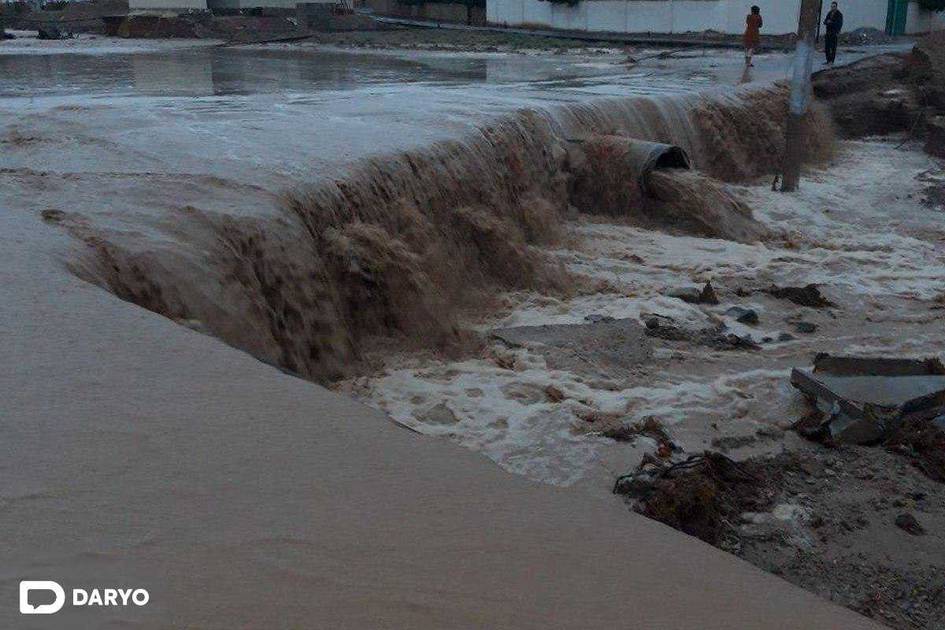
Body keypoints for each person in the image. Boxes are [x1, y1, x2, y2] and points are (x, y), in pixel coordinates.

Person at [823, 2, 844, 66]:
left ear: (836, 7)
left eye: (834, 6)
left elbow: (839, 24)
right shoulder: (829, 13)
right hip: (828, 33)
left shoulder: (839, 14)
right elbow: (825, 21)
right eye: (832, 6)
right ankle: (828, 60)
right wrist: (827, 22)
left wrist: (831, 22)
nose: (832, 8)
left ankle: (831, 61)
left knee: (833, 47)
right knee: (827, 47)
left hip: (834, 33)